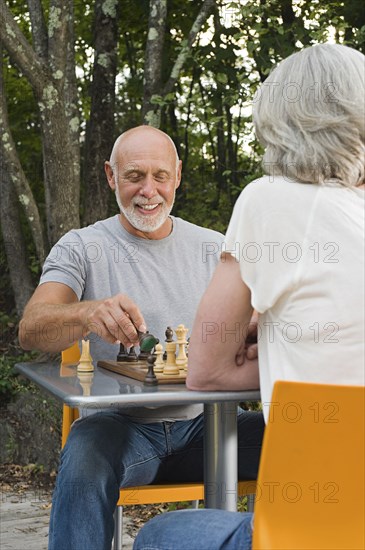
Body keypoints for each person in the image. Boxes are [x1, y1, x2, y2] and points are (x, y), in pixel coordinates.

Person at [133, 43, 365, 550]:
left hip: (311, 532)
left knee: (158, 535)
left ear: (280, 123)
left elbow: (206, 371)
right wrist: (289, 345)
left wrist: (271, 349)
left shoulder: (272, 199)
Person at [19, 125, 264, 550]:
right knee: (84, 458)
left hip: (209, 426)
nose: (148, 191)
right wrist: (87, 312)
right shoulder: (81, 247)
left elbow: (259, 324)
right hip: (123, 431)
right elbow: (32, 330)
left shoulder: (215, 247)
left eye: (160, 176)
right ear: (111, 176)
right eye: (134, 176)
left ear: (178, 176)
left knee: (323, 437)